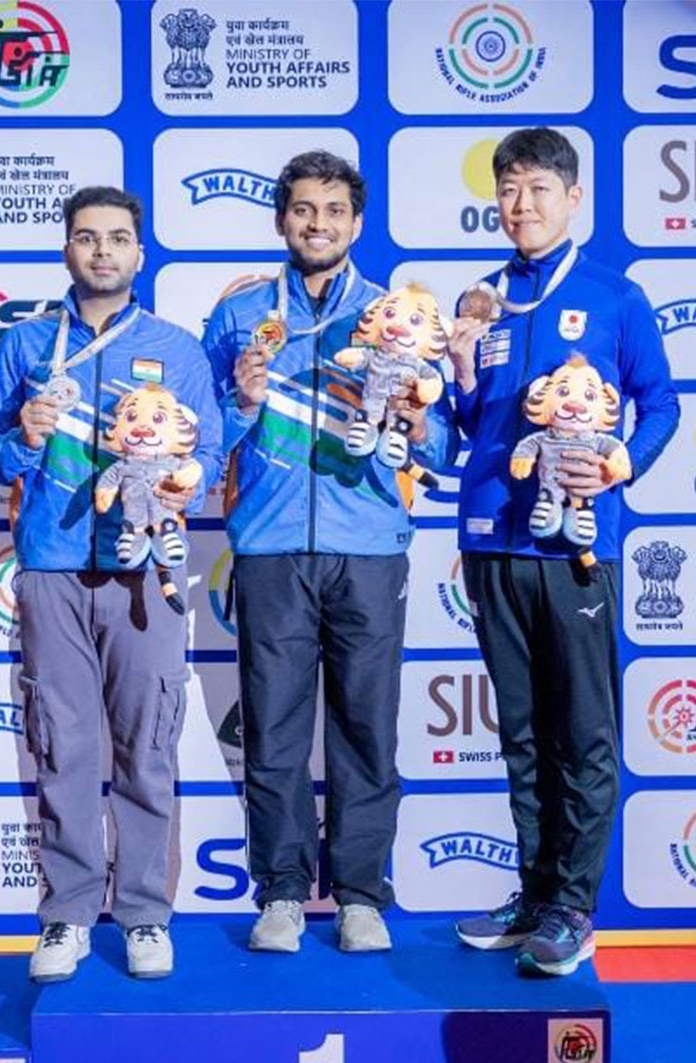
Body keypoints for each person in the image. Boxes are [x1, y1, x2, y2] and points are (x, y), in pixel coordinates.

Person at [0, 185, 223, 983]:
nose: (102, 250)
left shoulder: (177, 348)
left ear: (139, 254)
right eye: (87, 237)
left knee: (147, 746)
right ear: (67, 250)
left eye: (117, 238)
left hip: (144, 572)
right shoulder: (27, 346)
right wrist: (22, 437)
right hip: (50, 566)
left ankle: (144, 914)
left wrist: (187, 480)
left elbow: (208, 454)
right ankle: (67, 914)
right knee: (62, 744)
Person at [202, 150, 458, 954]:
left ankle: (359, 895)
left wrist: (419, 425)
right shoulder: (242, 314)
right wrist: (243, 400)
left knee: (365, 728)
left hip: (370, 546)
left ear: (357, 221)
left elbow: (445, 444)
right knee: (273, 729)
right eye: (305, 210)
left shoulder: (398, 316)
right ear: (283, 219)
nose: (319, 224)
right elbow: (203, 441)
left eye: (335, 211)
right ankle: (280, 892)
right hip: (272, 545)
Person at [447, 128, 680, 977]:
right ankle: (538, 892)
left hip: (575, 548)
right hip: (490, 538)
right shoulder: (482, 303)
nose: (521, 206)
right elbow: (469, 425)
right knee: (520, 733)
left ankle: (576, 908)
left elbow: (660, 405)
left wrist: (621, 463)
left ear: (574, 197)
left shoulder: (615, 297)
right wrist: (444, 385)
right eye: (509, 189)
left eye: (539, 189)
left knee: (582, 733)